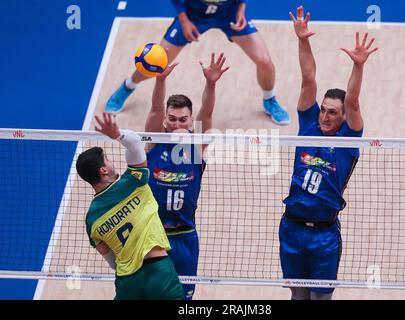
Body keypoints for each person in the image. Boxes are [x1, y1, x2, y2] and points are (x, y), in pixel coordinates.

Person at [279, 6, 378, 300]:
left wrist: (358, 66)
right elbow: (308, 78)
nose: (324, 116)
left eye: (332, 112)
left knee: (320, 299)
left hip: (324, 235)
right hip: (291, 226)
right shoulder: (308, 125)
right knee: (297, 297)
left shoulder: (349, 139)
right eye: (323, 109)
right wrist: (302, 40)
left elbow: (355, 101)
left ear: (343, 116)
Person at [106, 0, 290, 125]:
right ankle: (127, 86)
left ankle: (270, 99)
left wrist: (241, 9)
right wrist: (184, 21)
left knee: (265, 61)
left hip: (228, 15)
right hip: (193, 16)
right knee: (157, 63)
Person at [143, 52, 229, 300]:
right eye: (172, 119)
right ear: (164, 121)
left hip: (185, 238)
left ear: (191, 122)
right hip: (152, 237)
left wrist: (211, 83)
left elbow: (208, 112)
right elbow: (155, 109)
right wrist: (160, 81)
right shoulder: (152, 143)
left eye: (183, 120)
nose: (177, 124)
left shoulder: (195, 147)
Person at [76, 112, 185, 300]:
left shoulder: (91, 220)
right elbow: (134, 142)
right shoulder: (133, 182)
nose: (111, 162)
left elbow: (112, 262)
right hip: (159, 272)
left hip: (127, 283)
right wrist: (117, 134)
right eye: (107, 159)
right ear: (103, 170)